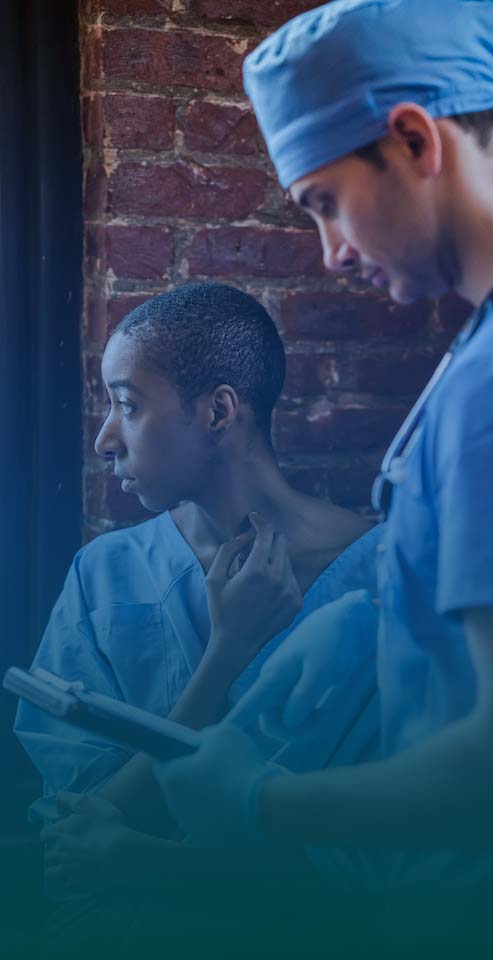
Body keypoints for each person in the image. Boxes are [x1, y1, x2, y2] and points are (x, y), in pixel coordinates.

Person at [152, 0, 493, 952]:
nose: (331, 252)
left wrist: (261, 801)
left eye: (324, 203)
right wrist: (373, 616)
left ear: (414, 138)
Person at [14, 281, 383, 956]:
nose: (103, 440)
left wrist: (154, 865)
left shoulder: (383, 578)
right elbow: (80, 834)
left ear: (218, 411)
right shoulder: (103, 575)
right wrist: (227, 653)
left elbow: (396, 857)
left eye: (127, 405)